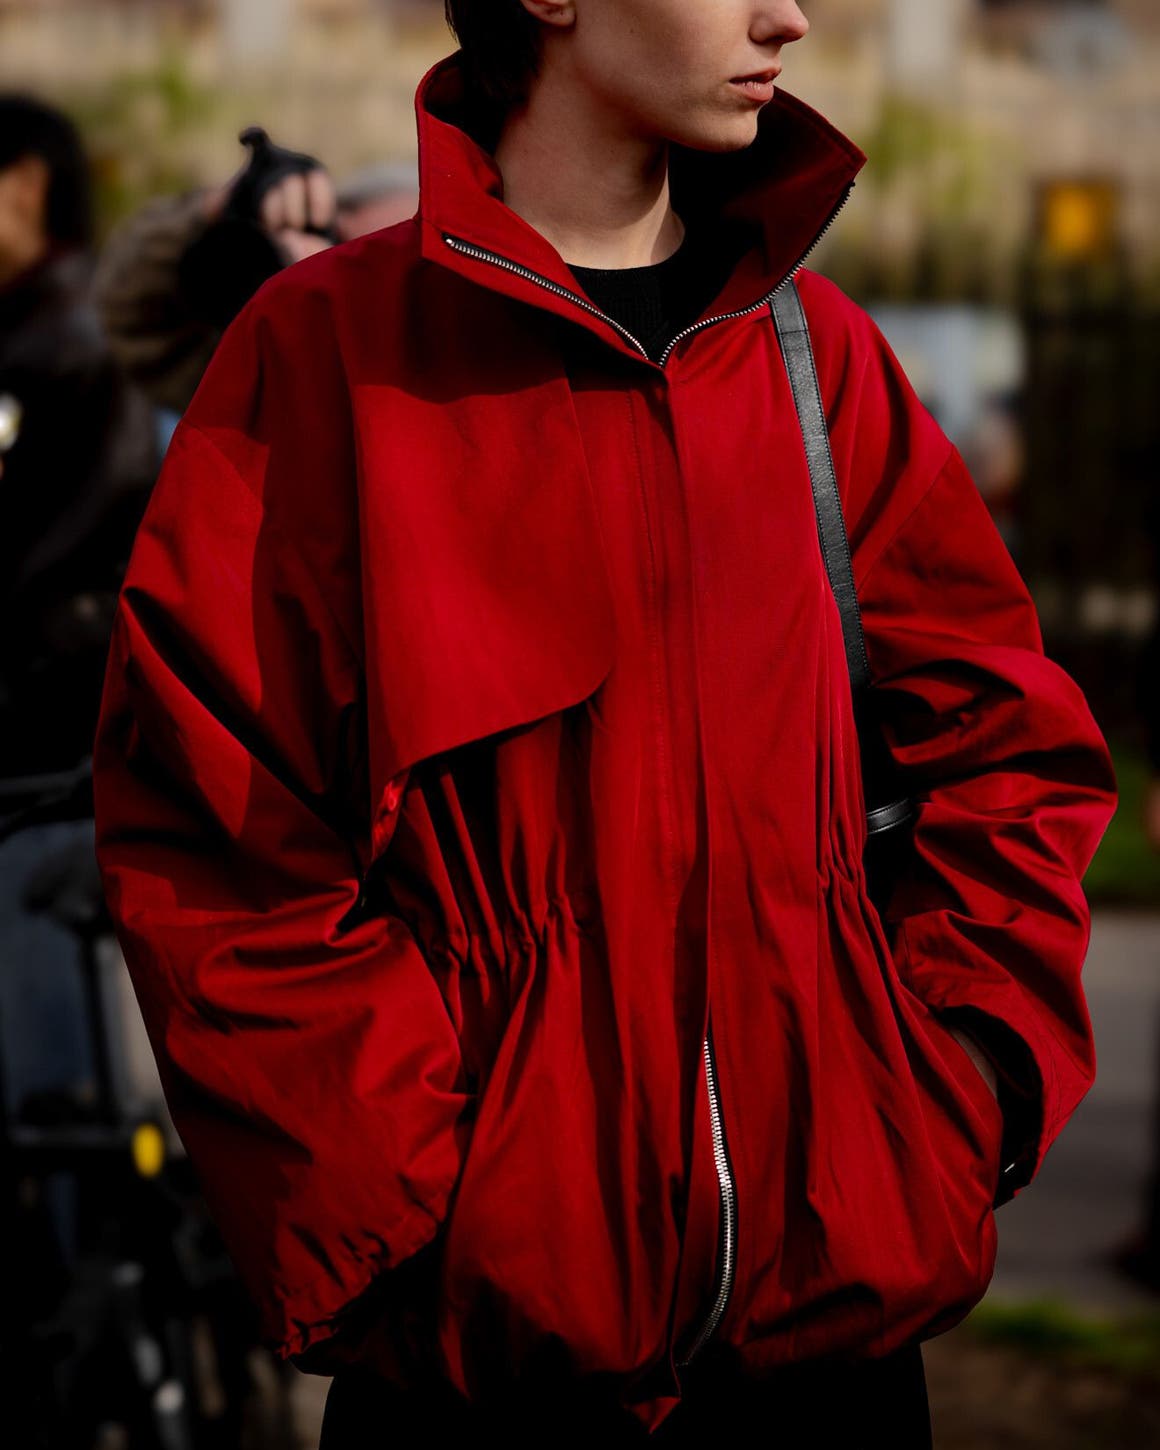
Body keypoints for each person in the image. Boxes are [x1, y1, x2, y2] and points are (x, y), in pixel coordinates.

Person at [89, 4, 1119, 1447]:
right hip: (478, 1362)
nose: (791, 15)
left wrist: (965, 1094)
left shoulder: (820, 363)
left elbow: (1008, 753)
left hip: (833, 1351)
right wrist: (409, 1207)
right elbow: (218, 828)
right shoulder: (327, 358)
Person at [0, 92, 159, 777]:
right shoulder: (34, 327)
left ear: (27, 185)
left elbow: (94, 537)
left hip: (51, 722)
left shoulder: (83, 341)